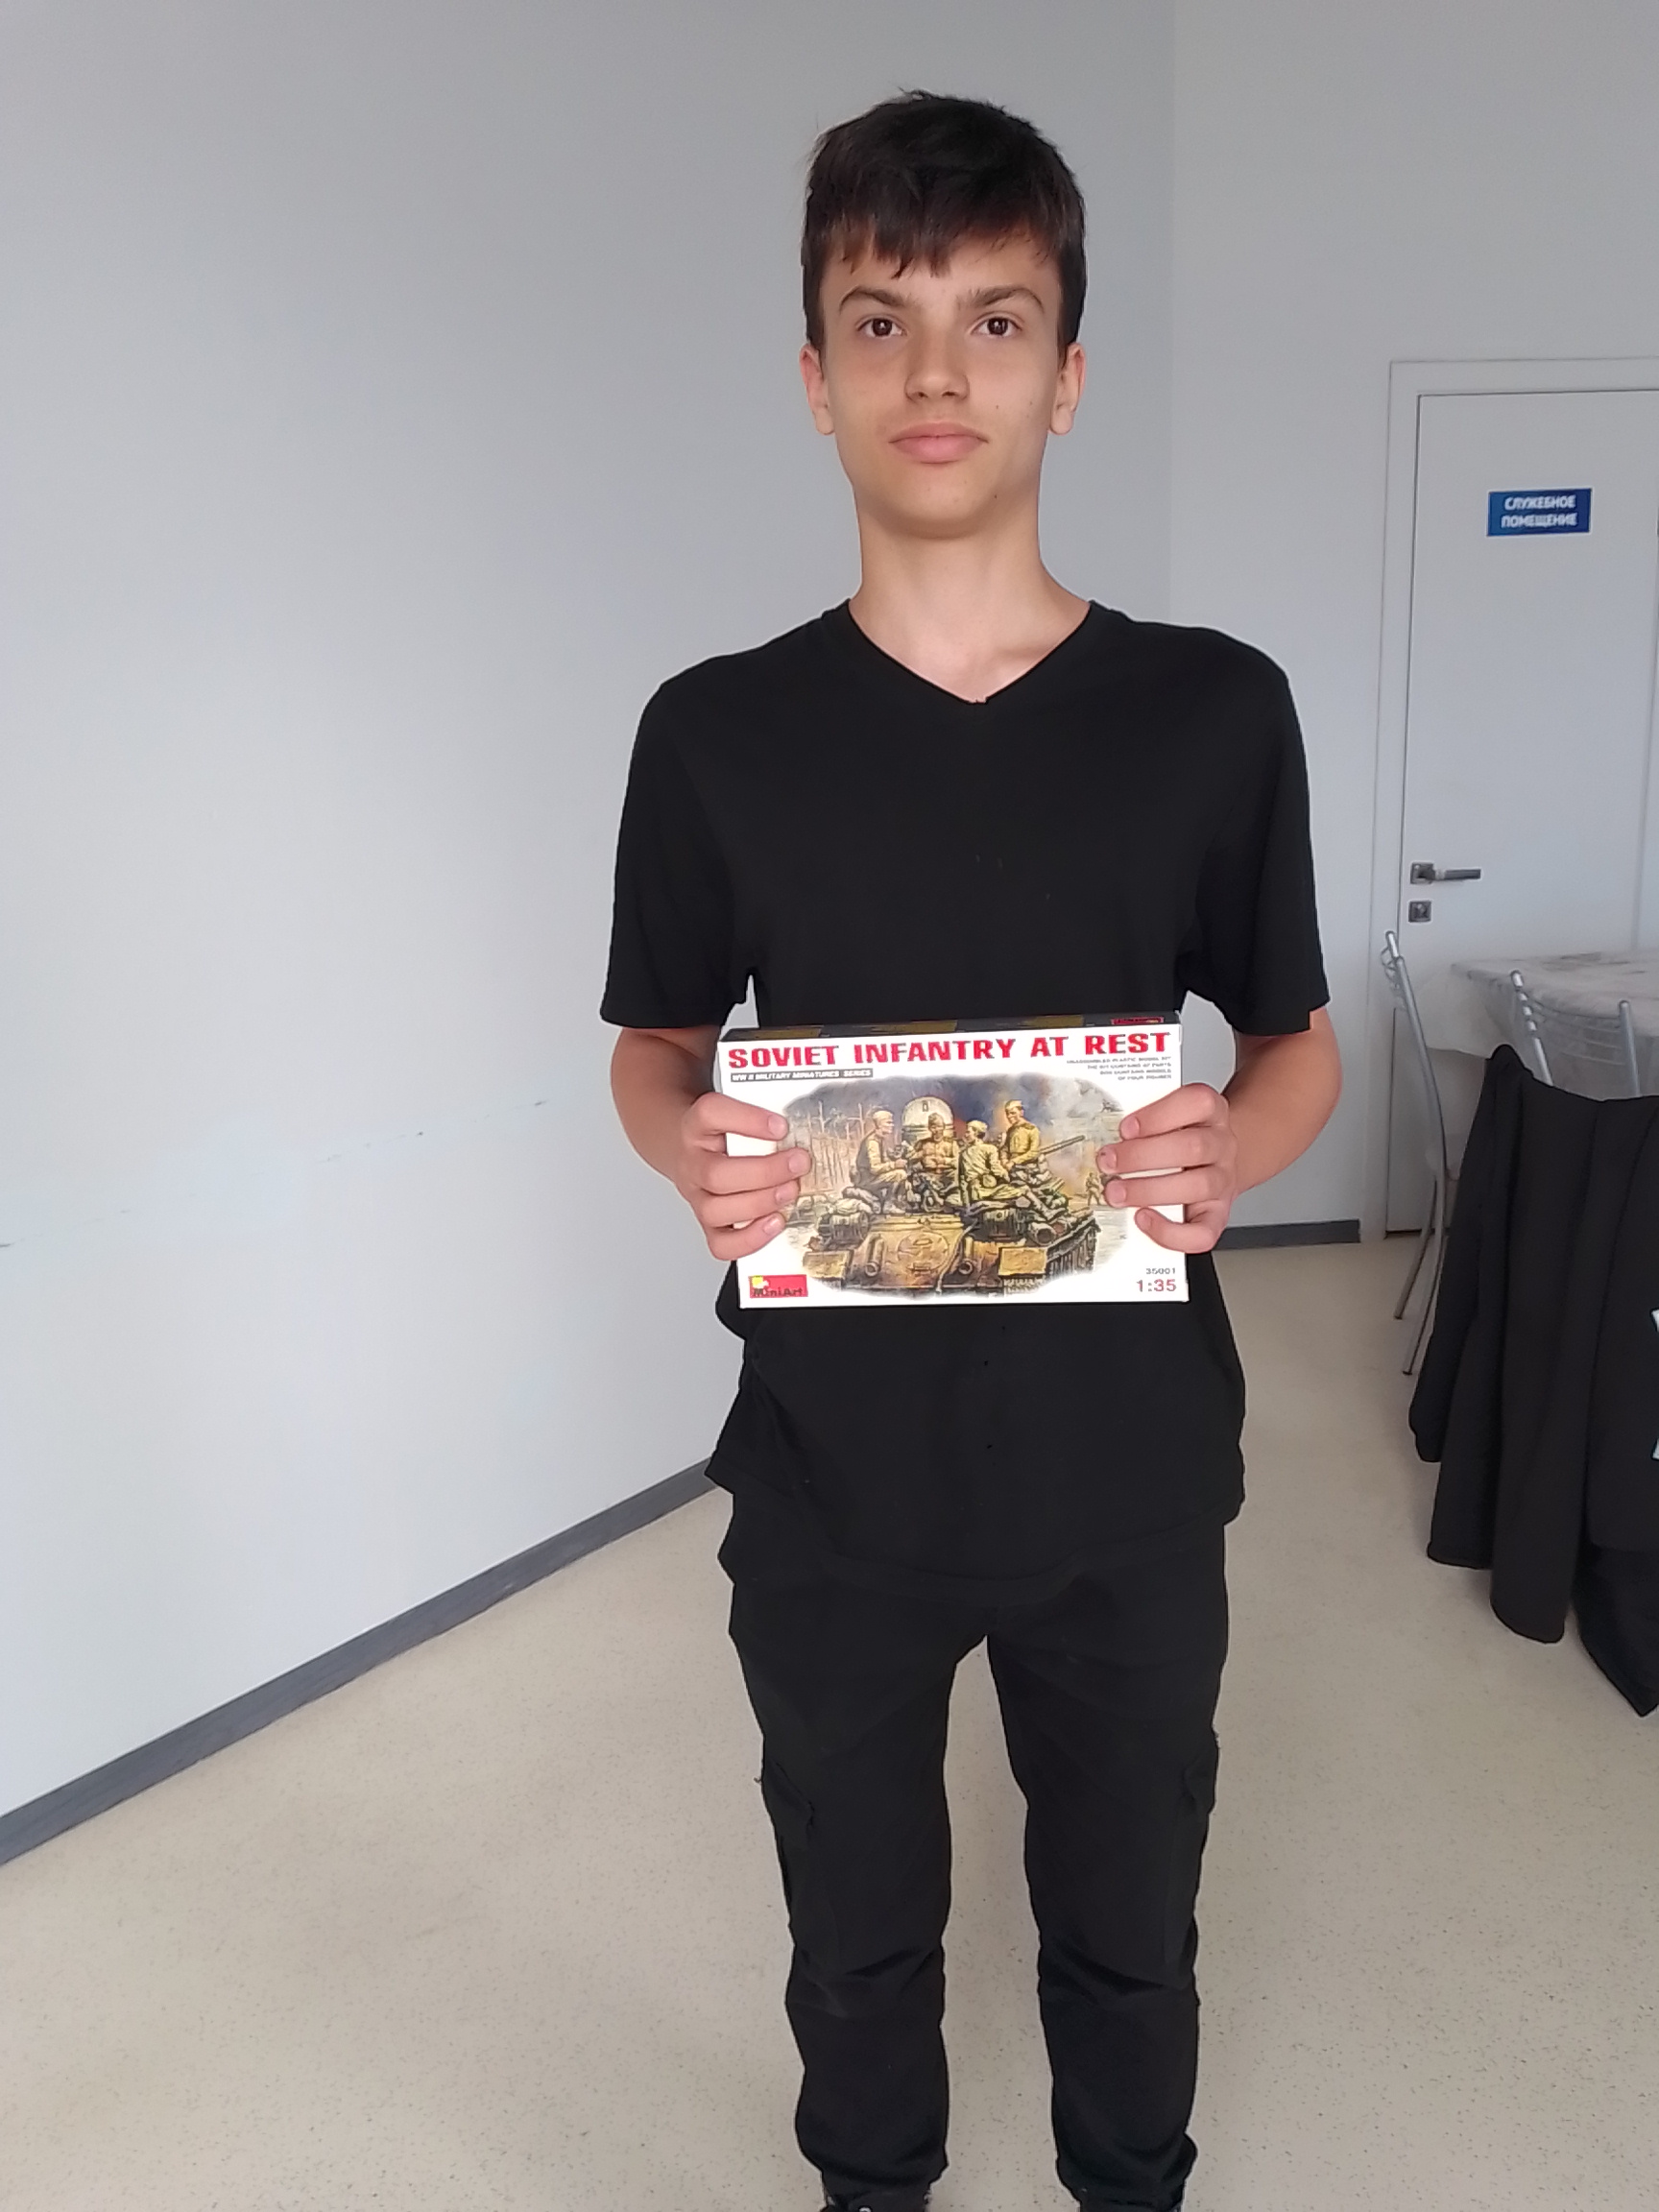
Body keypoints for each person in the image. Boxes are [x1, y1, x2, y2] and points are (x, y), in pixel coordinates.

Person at [602, 90, 1340, 2212]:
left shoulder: (1212, 713)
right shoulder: (715, 733)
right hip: (831, 1467)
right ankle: (875, 2187)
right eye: (883, 320)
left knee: (1132, 1915)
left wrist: (1228, 1147)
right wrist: (689, 1146)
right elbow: (655, 1050)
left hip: (1129, 1464)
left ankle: (1132, 2182)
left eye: (995, 320)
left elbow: (1295, 1047)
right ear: (815, 375)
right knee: (854, 1931)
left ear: (1068, 373)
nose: (938, 374)